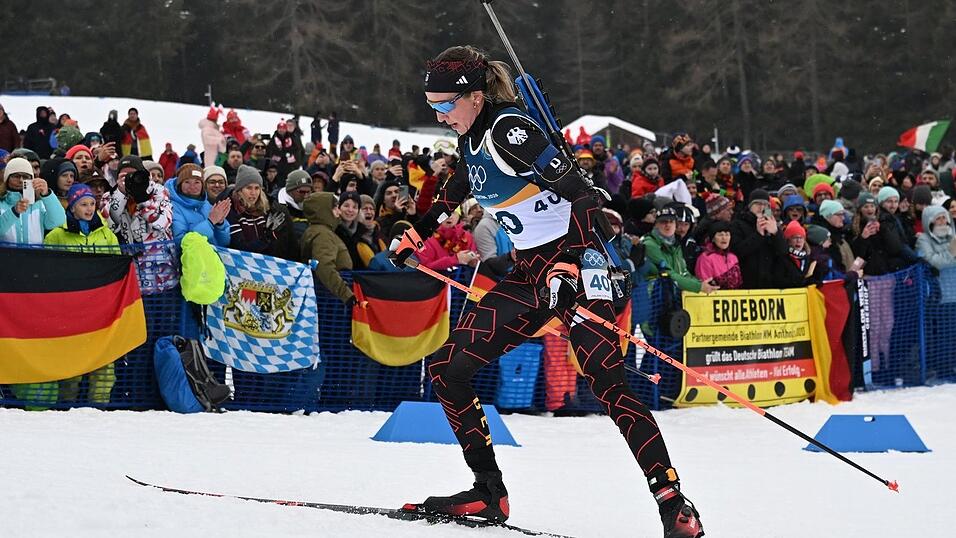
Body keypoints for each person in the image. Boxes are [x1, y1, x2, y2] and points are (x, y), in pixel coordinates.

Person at [391, 46, 704, 537]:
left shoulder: (510, 131)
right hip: (530, 273)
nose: (440, 116)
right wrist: (419, 230)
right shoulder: (471, 137)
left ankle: (672, 503)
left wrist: (569, 265)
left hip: (585, 263)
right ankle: (487, 492)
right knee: (449, 369)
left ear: (475, 96)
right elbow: (458, 186)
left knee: (608, 383)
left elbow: (583, 195)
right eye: (432, 107)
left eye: (446, 106)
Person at [44, 184, 121, 403]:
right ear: (72, 207)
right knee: (71, 366)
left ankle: (99, 409)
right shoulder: (57, 235)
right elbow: (48, 270)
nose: (89, 209)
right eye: (83, 204)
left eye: (92, 204)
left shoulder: (106, 233)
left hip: (101, 309)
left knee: (104, 366)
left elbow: (115, 265)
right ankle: (66, 406)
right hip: (70, 309)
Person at [642, 206, 717, 294]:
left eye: (671, 222)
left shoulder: (675, 245)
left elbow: (683, 272)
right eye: (663, 222)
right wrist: (698, 286)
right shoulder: (650, 244)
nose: (668, 225)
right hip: (652, 298)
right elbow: (668, 274)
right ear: (656, 225)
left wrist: (701, 283)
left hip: (670, 295)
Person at [226, 164, 296, 259]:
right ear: (240, 190)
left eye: (257, 188)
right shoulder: (232, 210)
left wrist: (275, 236)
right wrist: (267, 237)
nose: (253, 193)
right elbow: (240, 247)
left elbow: (280, 248)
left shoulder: (268, 209)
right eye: (249, 188)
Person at [301, 191, 355, 304]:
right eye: (335, 207)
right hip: (331, 299)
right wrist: (346, 294)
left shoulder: (320, 231)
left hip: (330, 295)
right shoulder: (323, 234)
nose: (339, 211)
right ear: (324, 210)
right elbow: (324, 265)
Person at [730, 189, 789, 289]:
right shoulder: (737, 224)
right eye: (757, 204)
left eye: (765, 204)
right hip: (747, 284)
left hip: (770, 284)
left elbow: (783, 252)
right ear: (750, 206)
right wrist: (758, 235)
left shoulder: (772, 225)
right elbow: (737, 251)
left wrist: (776, 233)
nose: (761, 207)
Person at [0, 157, 66, 243]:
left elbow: (58, 221)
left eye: (25, 176)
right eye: (16, 176)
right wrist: (14, 212)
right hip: (6, 255)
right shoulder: (1, 202)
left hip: (34, 255)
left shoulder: (39, 203)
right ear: (7, 179)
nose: (21, 180)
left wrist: (47, 194)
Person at [166, 163, 230, 246]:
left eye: (197, 182)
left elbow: (224, 243)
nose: (192, 186)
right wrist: (210, 222)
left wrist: (220, 224)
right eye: (187, 182)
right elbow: (181, 243)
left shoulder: (207, 205)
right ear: (180, 185)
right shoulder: (173, 207)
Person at [694, 220, 742, 289]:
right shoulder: (705, 258)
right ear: (713, 238)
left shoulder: (733, 257)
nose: (724, 238)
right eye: (720, 235)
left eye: (727, 234)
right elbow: (705, 283)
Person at [916, 206, 956, 270]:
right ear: (930, 222)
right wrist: (950, 253)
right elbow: (932, 263)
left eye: (944, 217)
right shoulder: (923, 239)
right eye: (938, 218)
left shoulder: (950, 235)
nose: (942, 221)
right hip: (935, 279)